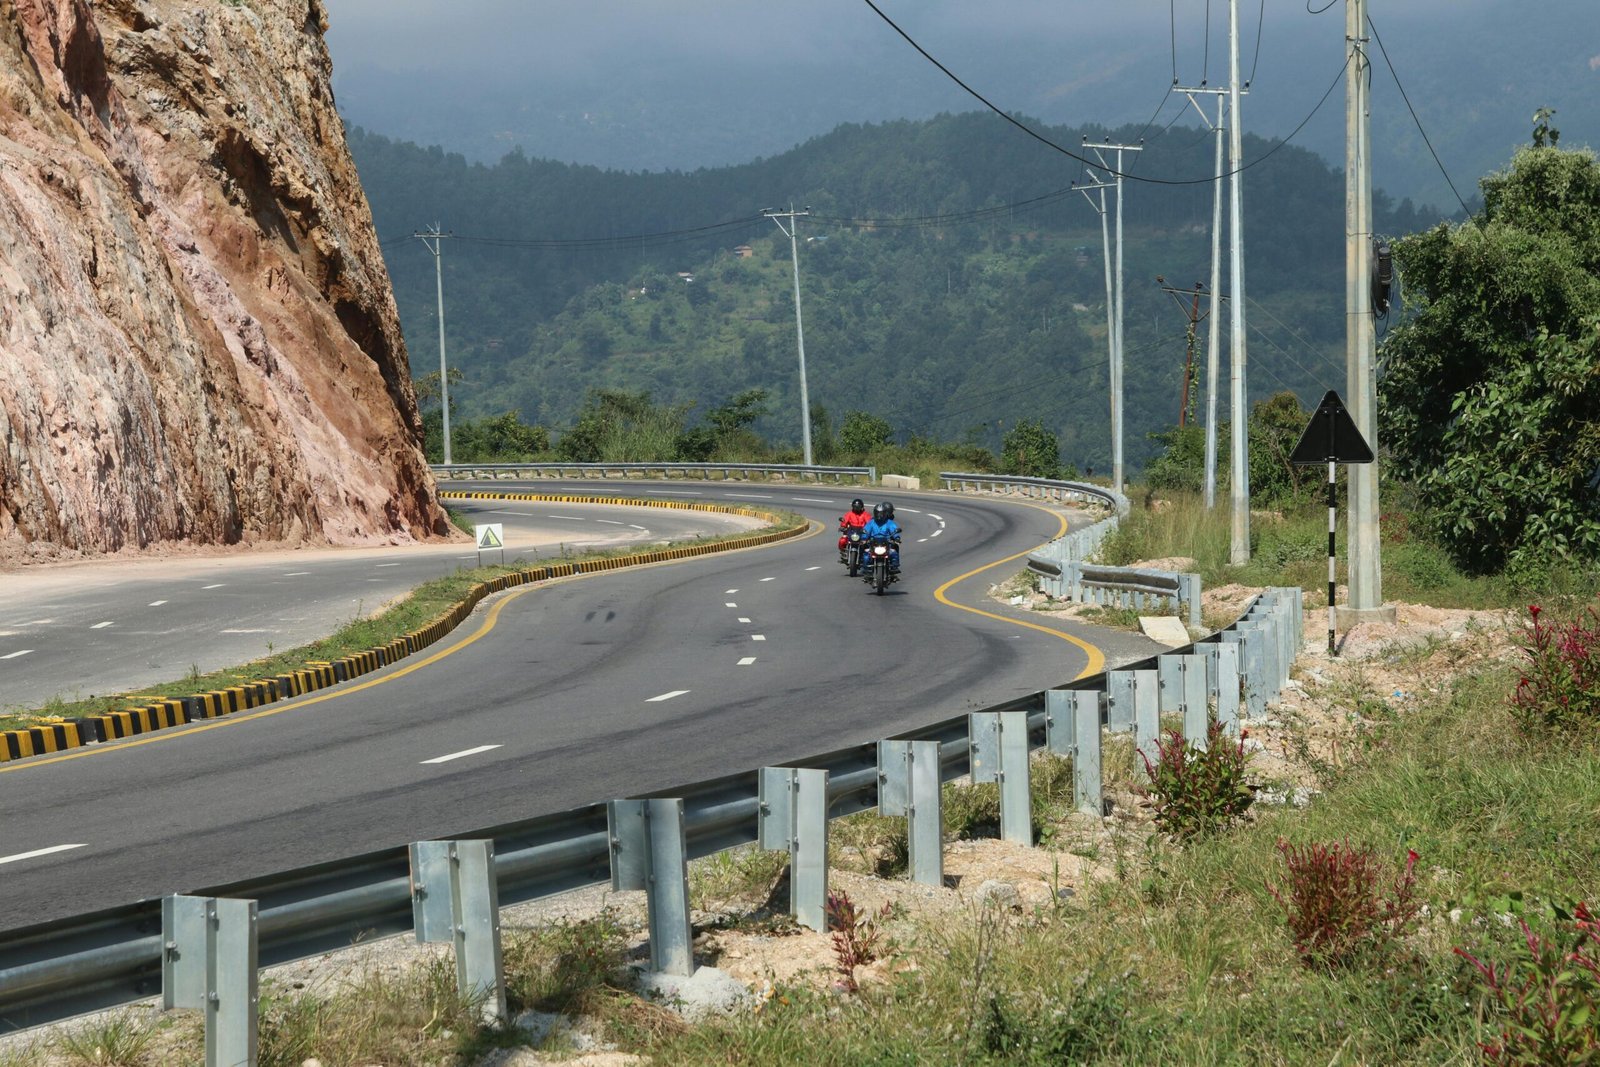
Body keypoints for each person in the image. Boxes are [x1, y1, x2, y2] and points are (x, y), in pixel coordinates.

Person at [861, 503, 901, 573]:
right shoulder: (871, 522)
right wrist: (864, 538)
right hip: (873, 543)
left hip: (886, 543)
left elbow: (894, 530)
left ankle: (894, 567)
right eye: (877, 513)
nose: (879, 515)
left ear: (885, 513)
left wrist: (897, 538)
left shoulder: (889, 522)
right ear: (875, 513)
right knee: (866, 555)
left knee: (893, 553)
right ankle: (866, 569)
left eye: (881, 513)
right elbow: (866, 530)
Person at [837, 498, 869, 563]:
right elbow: (844, 521)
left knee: (868, 543)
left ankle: (865, 558)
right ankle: (844, 553)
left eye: (858, 507)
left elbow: (869, 523)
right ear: (852, 507)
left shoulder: (865, 514)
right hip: (851, 532)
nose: (856, 509)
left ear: (862, 507)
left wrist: (868, 530)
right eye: (855, 507)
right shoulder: (849, 514)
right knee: (842, 541)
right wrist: (843, 527)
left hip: (862, 532)